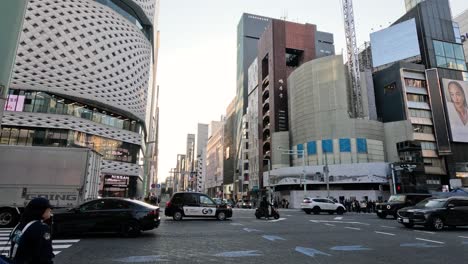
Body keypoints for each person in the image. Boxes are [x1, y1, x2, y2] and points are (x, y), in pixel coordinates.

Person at [9, 197, 54, 264]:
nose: (50, 210)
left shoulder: (20, 224)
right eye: (48, 208)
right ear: (41, 210)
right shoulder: (40, 227)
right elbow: (45, 253)